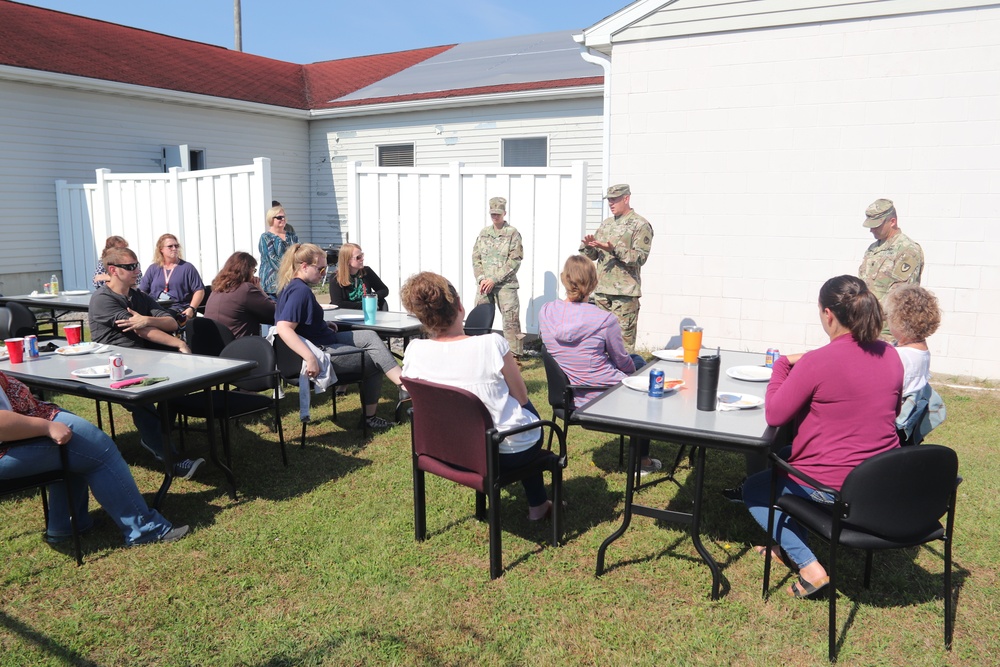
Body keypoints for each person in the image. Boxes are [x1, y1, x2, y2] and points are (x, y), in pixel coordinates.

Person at [742, 275, 903, 599]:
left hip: (833, 487)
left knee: (756, 489)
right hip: (880, 480)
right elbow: (893, 409)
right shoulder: (890, 355)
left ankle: (810, 568)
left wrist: (781, 368)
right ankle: (784, 542)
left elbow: (774, 414)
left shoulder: (815, 362)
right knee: (788, 452)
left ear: (828, 314)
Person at [400, 271, 555, 520]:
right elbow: (522, 397)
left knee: (515, 415)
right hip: (502, 454)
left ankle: (538, 503)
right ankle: (537, 505)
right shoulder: (491, 344)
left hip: (443, 450)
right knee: (523, 411)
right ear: (460, 306)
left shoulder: (415, 351)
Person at [0, 371, 189, 546]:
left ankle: (67, 525)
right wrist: (45, 427)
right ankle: (146, 529)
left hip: (23, 429)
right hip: (9, 446)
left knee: (81, 449)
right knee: (98, 450)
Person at [88, 246, 204, 479]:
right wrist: (178, 344)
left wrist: (147, 319)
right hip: (113, 366)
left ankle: (158, 434)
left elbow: (172, 322)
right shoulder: (102, 299)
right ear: (113, 270)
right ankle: (172, 459)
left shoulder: (138, 296)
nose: (137, 271)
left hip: (145, 359)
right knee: (144, 399)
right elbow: (142, 331)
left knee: (175, 387)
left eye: (137, 265)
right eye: (131, 267)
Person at [538, 256, 660, 475]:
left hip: (564, 397)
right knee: (640, 368)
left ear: (564, 280)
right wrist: (633, 372)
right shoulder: (605, 320)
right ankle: (642, 461)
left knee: (636, 362)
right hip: (599, 396)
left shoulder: (545, 311)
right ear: (594, 283)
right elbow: (622, 361)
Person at [273, 243, 404, 431]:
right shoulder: (300, 292)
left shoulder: (291, 287)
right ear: (303, 266)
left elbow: (299, 323)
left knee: (369, 336)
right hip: (320, 352)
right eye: (320, 268)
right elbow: (284, 328)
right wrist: (310, 358)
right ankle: (374, 414)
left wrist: (322, 324)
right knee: (375, 360)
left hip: (323, 340)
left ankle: (403, 385)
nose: (324, 273)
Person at [579, 184, 654, 351]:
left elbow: (640, 257)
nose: (611, 203)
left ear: (626, 198)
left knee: (622, 345)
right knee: (600, 341)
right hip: (602, 292)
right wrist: (589, 247)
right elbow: (593, 256)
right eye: (609, 200)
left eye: (615, 200)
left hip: (624, 294)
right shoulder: (606, 224)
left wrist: (613, 249)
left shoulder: (640, 225)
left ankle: (625, 376)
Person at [885, 285, 946, 446]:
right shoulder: (920, 350)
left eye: (889, 316)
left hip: (895, 426)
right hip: (909, 425)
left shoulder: (899, 357)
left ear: (899, 322)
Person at [858, 198, 924, 340]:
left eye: (876, 225)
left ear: (892, 221)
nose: (871, 230)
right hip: (867, 328)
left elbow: (899, 295)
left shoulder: (907, 250)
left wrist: (870, 315)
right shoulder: (873, 249)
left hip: (890, 333)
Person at [472, 196, 524, 356]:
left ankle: (515, 357)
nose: (495, 217)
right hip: (484, 285)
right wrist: (481, 279)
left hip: (505, 286)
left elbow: (515, 260)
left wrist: (494, 280)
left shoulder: (512, 233)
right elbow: (476, 258)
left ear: (504, 213)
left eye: (498, 214)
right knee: (479, 318)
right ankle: (478, 353)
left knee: (511, 322)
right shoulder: (484, 233)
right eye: (492, 214)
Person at [205, 251, 275, 339]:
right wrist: (260, 290)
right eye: (253, 271)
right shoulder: (245, 289)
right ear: (247, 271)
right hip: (240, 347)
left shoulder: (216, 289)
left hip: (216, 344)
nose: (254, 275)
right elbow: (274, 312)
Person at [138, 233, 205, 321]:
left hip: (178, 308)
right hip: (155, 307)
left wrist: (191, 308)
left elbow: (199, 290)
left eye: (176, 246)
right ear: (161, 249)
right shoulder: (153, 268)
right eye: (170, 246)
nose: (174, 249)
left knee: (165, 319)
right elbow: (143, 290)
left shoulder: (187, 267)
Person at [329, 243, 388, 310]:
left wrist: (372, 297)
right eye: (358, 257)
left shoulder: (366, 272)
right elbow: (337, 303)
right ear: (348, 260)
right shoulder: (336, 278)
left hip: (367, 313)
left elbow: (384, 290)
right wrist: (365, 305)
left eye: (362, 255)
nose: (362, 259)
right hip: (346, 314)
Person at [258, 205, 299, 298]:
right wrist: (290, 269)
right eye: (279, 217)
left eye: (284, 217)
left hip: (290, 281)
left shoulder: (292, 236)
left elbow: (299, 254)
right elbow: (272, 259)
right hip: (272, 285)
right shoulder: (265, 237)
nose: (283, 219)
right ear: (271, 219)